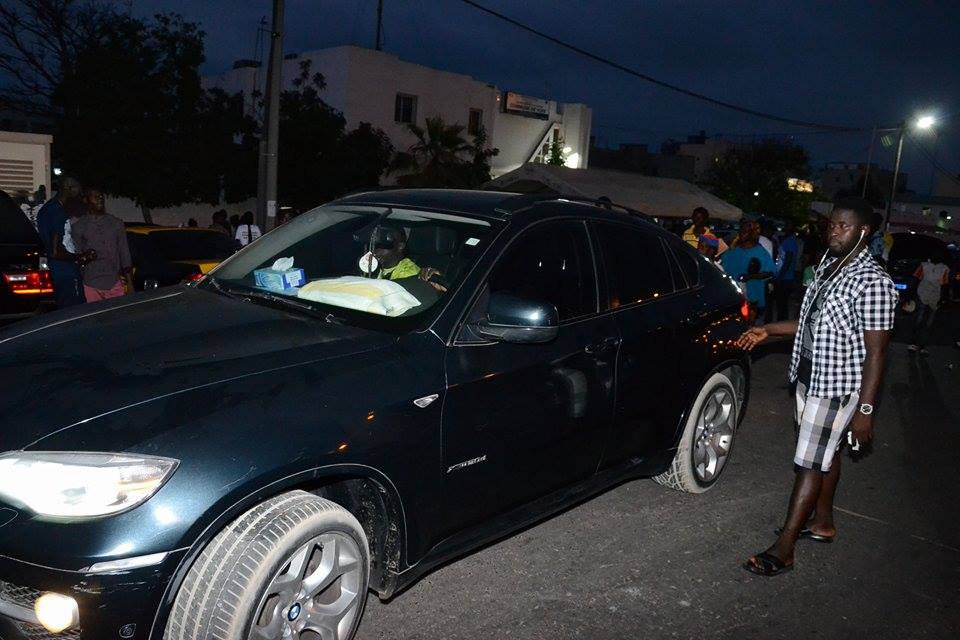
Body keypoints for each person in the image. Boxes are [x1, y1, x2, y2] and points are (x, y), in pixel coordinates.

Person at [736, 196, 897, 577]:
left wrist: (866, 411)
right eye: (831, 225)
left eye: (843, 226)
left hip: (836, 387)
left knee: (809, 462)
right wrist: (769, 330)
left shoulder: (873, 282)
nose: (834, 231)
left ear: (864, 231)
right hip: (809, 378)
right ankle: (822, 523)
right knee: (827, 453)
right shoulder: (828, 265)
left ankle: (785, 546)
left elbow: (877, 354)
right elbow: (810, 323)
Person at [35, 175, 93, 308]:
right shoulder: (57, 212)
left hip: (59, 271)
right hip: (66, 272)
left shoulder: (47, 209)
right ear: (69, 188)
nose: (80, 194)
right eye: (78, 190)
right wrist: (80, 257)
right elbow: (56, 251)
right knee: (75, 312)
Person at [70, 187, 133, 302]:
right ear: (86, 200)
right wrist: (86, 257)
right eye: (95, 197)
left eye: (101, 197)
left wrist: (130, 284)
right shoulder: (79, 227)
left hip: (114, 282)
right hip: (91, 284)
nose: (100, 199)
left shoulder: (115, 223)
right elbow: (76, 258)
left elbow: (124, 254)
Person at [721, 223, 775, 322]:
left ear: (752, 234)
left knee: (748, 325)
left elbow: (770, 272)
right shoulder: (733, 249)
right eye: (740, 231)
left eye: (745, 232)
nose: (742, 234)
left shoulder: (759, 251)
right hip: (734, 295)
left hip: (752, 295)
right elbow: (722, 267)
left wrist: (750, 276)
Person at [908, 253, 950, 356]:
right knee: (922, 321)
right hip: (924, 294)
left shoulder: (943, 268)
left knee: (926, 322)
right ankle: (915, 344)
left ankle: (921, 345)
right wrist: (910, 294)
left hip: (933, 297)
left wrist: (944, 299)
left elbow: (945, 285)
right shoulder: (925, 266)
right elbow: (916, 279)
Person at [772, 222, 800, 320]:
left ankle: (781, 325)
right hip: (784, 276)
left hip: (785, 277)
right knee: (781, 304)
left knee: (782, 304)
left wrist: (780, 276)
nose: (785, 228)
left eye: (788, 226)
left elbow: (788, 260)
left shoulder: (791, 241)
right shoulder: (787, 240)